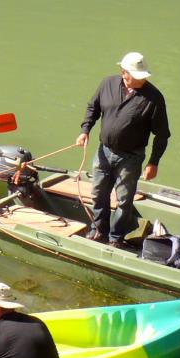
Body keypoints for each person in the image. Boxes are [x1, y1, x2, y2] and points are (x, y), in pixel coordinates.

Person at [75, 52, 170, 247]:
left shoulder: (154, 98)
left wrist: (154, 162)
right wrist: (85, 130)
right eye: (137, 76)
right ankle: (98, 230)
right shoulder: (107, 84)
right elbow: (93, 108)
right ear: (124, 73)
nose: (142, 80)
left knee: (124, 200)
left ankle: (115, 238)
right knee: (98, 193)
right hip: (104, 151)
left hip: (131, 158)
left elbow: (162, 135)